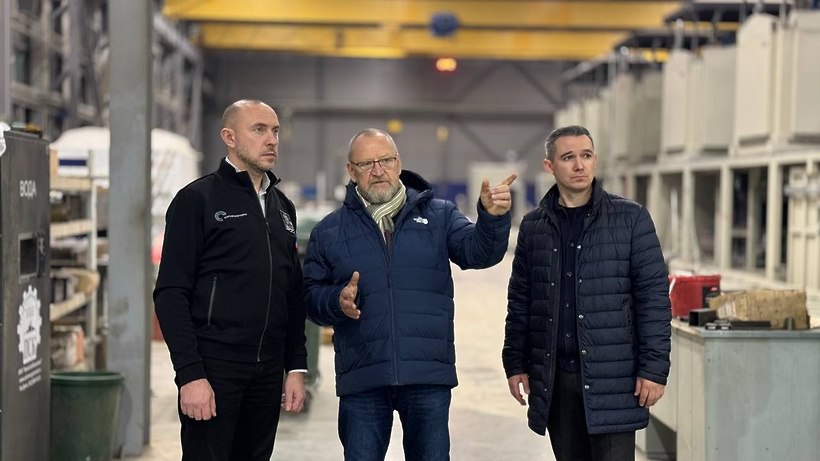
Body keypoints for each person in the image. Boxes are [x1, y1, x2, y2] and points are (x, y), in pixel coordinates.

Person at [303, 128, 515, 460]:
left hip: (426, 374)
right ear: (351, 171)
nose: (378, 170)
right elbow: (310, 297)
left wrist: (491, 219)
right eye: (367, 163)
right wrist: (336, 301)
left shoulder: (440, 216)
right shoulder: (329, 231)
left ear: (398, 163)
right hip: (363, 376)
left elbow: (478, 253)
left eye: (385, 160)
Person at [503, 125, 671, 461]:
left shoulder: (631, 219)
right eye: (568, 157)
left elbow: (653, 298)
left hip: (614, 377)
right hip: (557, 379)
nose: (580, 165)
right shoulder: (534, 227)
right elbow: (521, 301)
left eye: (587, 155)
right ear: (550, 166)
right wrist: (515, 361)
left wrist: (654, 369)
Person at [153, 99, 307, 461]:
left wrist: (296, 366)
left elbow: (292, 294)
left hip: (267, 372)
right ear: (229, 137)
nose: (272, 140)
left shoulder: (283, 208)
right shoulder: (197, 200)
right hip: (214, 368)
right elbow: (171, 293)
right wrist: (190, 375)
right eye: (259, 130)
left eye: (275, 131)